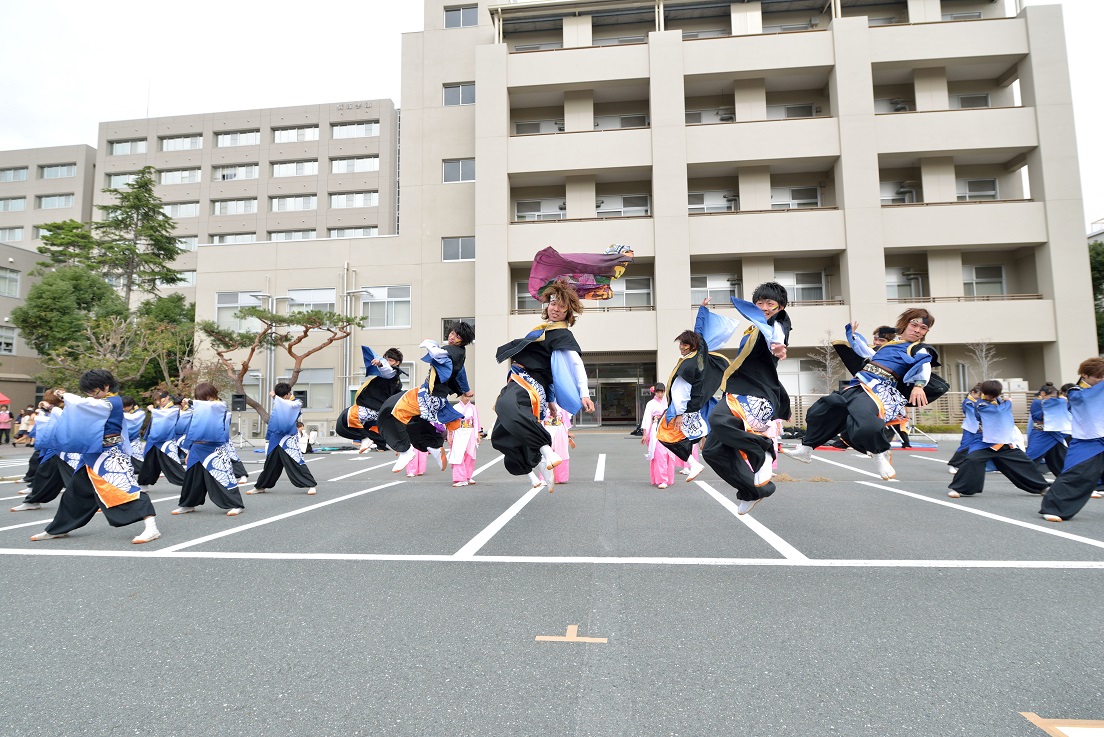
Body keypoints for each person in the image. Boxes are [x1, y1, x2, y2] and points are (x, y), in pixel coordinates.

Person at [786, 309, 939, 480]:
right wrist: (853, 337)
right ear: (905, 324)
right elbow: (867, 352)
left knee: (864, 420)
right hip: (859, 385)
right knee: (822, 409)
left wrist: (919, 385)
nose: (917, 330)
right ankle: (806, 449)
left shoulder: (919, 349)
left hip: (879, 390)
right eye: (914, 324)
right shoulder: (889, 345)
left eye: (923, 328)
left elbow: (924, 366)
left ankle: (880, 453)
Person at [29, 369, 160, 544]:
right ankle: (58, 528)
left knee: (125, 489)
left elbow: (83, 405)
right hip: (93, 453)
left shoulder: (112, 402)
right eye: (89, 392)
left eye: (94, 391)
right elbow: (83, 406)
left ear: (106, 386)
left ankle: (151, 527)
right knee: (75, 493)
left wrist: (62, 394)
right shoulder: (103, 401)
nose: (92, 395)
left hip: (109, 455)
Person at [492, 278, 595, 493]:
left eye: (562, 307)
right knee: (500, 434)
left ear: (569, 313)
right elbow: (552, 368)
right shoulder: (545, 329)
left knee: (506, 407)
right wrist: (550, 401)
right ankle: (539, 460)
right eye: (553, 304)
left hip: (529, 383)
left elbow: (576, 365)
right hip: (518, 379)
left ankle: (546, 449)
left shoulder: (562, 334)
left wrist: (584, 393)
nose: (556, 309)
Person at [702, 283, 792, 515]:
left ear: (780, 307)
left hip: (757, 393)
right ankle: (752, 491)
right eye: (759, 303)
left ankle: (762, 450)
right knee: (712, 452)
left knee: (719, 420)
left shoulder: (777, 322)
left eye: (769, 304)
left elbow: (778, 334)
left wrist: (779, 346)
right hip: (737, 390)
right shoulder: (753, 328)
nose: (764, 308)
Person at [657, 299, 736, 482]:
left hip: (685, 408)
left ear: (691, 345)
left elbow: (680, 392)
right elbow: (698, 330)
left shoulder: (688, 366)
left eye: (684, 344)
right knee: (689, 436)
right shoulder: (701, 350)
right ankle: (703, 454)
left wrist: (678, 414)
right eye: (680, 344)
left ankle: (693, 464)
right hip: (698, 405)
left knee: (665, 436)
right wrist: (702, 309)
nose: (681, 347)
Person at [379, 322, 474, 474]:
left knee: (391, 411)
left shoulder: (451, 351)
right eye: (452, 333)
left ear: (463, 341)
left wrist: (429, 344)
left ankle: (405, 451)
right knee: (415, 422)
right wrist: (467, 390)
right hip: (431, 397)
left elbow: (438, 354)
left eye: (457, 337)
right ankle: (434, 447)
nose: (452, 337)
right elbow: (461, 374)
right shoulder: (460, 354)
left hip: (429, 397)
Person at [947, 380, 1050, 499]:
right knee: (972, 460)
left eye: (994, 394)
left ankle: (1042, 487)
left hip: (1003, 440)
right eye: (989, 394)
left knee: (1024, 462)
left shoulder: (999, 400)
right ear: (984, 392)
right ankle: (959, 488)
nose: (991, 397)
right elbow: (998, 411)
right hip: (984, 440)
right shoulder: (980, 404)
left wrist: (1005, 402)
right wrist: (1009, 402)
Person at [1038, 358, 1104, 522]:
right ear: (1084, 375)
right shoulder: (1075, 391)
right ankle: (1055, 508)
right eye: (1098, 376)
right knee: (1076, 473)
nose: (1101, 380)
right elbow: (1082, 400)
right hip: (1088, 440)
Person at [172, 383, 245, 516]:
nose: (204, 401)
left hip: (214, 448)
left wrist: (191, 402)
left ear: (212, 395)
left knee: (221, 477)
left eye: (206, 397)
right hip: (196, 447)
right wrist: (188, 450)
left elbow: (211, 408)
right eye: (201, 398)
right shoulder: (198, 409)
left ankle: (235, 504)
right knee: (192, 478)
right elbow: (190, 430)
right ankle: (188, 504)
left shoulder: (221, 407)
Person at [10, 390, 80, 512]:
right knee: (46, 474)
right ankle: (32, 500)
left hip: (65, 448)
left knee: (77, 478)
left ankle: (94, 502)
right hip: (56, 448)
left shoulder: (68, 409)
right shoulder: (56, 410)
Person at [249, 383, 317, 495]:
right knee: (270, 463)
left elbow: (288, 406)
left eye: (281, 397)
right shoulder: (279, 401)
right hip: (276, 437)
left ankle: (311, 484)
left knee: (295, 460)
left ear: (287, 394)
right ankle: (260, 486)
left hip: (288, 437)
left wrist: (275, 397)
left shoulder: (296, 402)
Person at [335, 346, 405, 452]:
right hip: (377, 410)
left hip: (371, 408)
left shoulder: (391, 374)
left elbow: (386, 370)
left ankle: (363, 438)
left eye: (390, 360)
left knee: (345, 419)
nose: (387, 362)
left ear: (397, 363)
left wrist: (381, 364)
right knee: (371, 426)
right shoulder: (396, 380)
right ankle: (380, 443)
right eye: (385, 359)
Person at [137, 392, 186, 487]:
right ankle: (143, 482)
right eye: (156, 400)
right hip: (153, 439)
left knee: (171, 463)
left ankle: (187, 482)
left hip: (166, 440)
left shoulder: (174, 409)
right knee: (148, 462)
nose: (158, 402)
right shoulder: (159, 410)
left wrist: (152, 410)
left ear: (167, 397)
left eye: (160, 399)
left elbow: (164, 415)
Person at [1025, 382, 1070, 477]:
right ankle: (1027, 476)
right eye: (1050, 395)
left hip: (1055, 433)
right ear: (1042, 394)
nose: (1053, 397)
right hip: (1041, 433)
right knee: (1032, 455)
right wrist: (1048, 413)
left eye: (1054, 395)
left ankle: (1067, 478)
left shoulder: (1060, 402)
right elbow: (1035, 416)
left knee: (1059, 458)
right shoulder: (1037, 402)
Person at [641, 384, 675, 489]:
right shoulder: (651, 403)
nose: (660, 394)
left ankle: (668, 478)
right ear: (654, 392)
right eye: (658, 392)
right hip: (656, 429)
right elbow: (647, 418)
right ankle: (662, 479)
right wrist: (644, 434)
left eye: (662, 392)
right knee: (659, 454)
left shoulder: (668, 402)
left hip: (668, 429)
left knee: (669, 454)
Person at [947, 384, 983, 475]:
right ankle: (953, 464)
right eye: (978, 395)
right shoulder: (968, 402)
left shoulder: (976, 401)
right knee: (965, 446)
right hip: (971, 428)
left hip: (979, 428)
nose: (979, 397)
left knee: (988, 447)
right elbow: (974, 415)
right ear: (973, 393)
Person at [448, 390, 481, 487]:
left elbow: (476, 422)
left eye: (469, 397)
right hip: (458, 431)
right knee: (458, 454)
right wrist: (450, 435)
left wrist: (478, 434)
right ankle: (460, 478)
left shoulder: (473, 408)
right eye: (465, 396)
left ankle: (467, 476)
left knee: (470, 454)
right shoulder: (455, 407)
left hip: (470, 432)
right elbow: (451, 422)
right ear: (461, 396)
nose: (467, 398)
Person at [544, 404, 572, 485]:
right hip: (546, 430)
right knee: (545, 454)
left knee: (561, 453)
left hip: (559, 430)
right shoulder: (542, 405)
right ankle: (546, 477)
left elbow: (565, 422)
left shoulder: (562, 405)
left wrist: (568, 435)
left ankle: (560, 478)